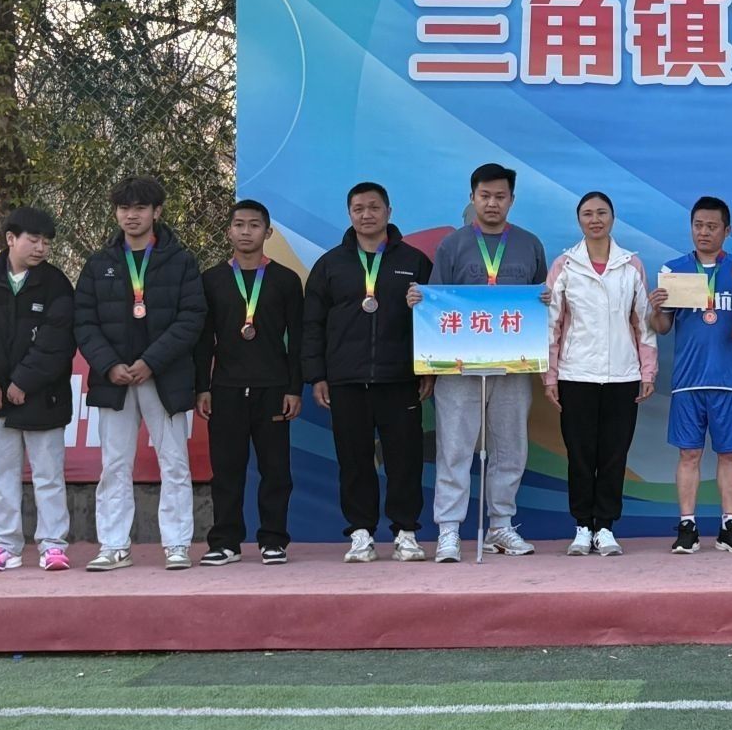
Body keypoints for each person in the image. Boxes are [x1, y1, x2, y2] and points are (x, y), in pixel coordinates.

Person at [410, 163, 549, 563]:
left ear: (512, 200)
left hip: (513, 364)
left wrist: (545, 299)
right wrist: (420, 301)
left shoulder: (529, 244)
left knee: (510, 446)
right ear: (472, 198)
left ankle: (500, 525)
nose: (492, 203)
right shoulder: (452, 245)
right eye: (485, 196)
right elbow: (437, 303)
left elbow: (540, 299)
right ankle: (449, 530)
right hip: (459, 366)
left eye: (500, 196)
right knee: (454, 447)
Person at [75, 176, 208, 572]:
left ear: (157, 212)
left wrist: (151, 361)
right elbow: (84, 322)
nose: (131, 216)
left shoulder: (181, 261)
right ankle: (114, 545)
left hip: (164, 377)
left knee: (174, 462)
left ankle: (177, 544)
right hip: (114, 379)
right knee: (114, 464)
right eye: (124, 208)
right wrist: (109, 365)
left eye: (139, 208)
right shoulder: (99, 264)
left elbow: (192, 317)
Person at [304, 182, 434, 563]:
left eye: (374, 207)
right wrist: (317, 375)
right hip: (346, 379)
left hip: (400, 379)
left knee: (404, 460)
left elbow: (432, 318)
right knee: (354, 460)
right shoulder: (330, 265)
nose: (366, 215)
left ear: (389, 212)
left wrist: (429, 369)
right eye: (358, 208)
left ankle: (406, 532)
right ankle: (361, 533)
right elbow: (312, 324)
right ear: (349, 214)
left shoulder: (415, 261)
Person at [0, 207, 76, 573]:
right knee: (2, 475)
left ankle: (53, 546)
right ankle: (5, 546)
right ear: (11, 239)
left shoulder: (56, 284)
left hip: (43, 397)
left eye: (46, 243)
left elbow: (58, 341)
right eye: (33, 240)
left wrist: (24, 381)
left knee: (48, 475)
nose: (41, 248)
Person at [192, 200, 304, 566]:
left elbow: (298, 340)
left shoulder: (286, 280)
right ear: (228, 231)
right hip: (225, 389)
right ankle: (225, 541)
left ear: (267, 232)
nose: (245, 231)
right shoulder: (211, 280)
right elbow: (203, 340)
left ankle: (273, 540)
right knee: (227, 470)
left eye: (254, 225)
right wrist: (203, 387)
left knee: (276, 470)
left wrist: (294, 388)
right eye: (239, 224)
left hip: (273, 388)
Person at [545, 191, 656, 557]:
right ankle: (582, 526)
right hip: (576, 374)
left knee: (613, 454)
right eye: (588, 214)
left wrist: (648, 371)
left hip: (623, 376)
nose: (595, 220)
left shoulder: (631, 266)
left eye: (602, 213)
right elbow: (552, 325)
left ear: (613, 218)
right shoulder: (565, 265)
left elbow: (643, 323)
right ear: (579, 220)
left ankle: (605, 526)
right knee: (579, 455)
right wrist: (551, 376)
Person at [651, 196, 732, 556]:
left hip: (730, 381)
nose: (704, 232)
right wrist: (656, 308)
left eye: (712, 226)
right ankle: (687, 526)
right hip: (688, 381)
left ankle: (730, 526)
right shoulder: (675, 270)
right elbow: (662, 327)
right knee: (689, 455)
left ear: (727, 230)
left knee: (730, 456)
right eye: (698, 225)